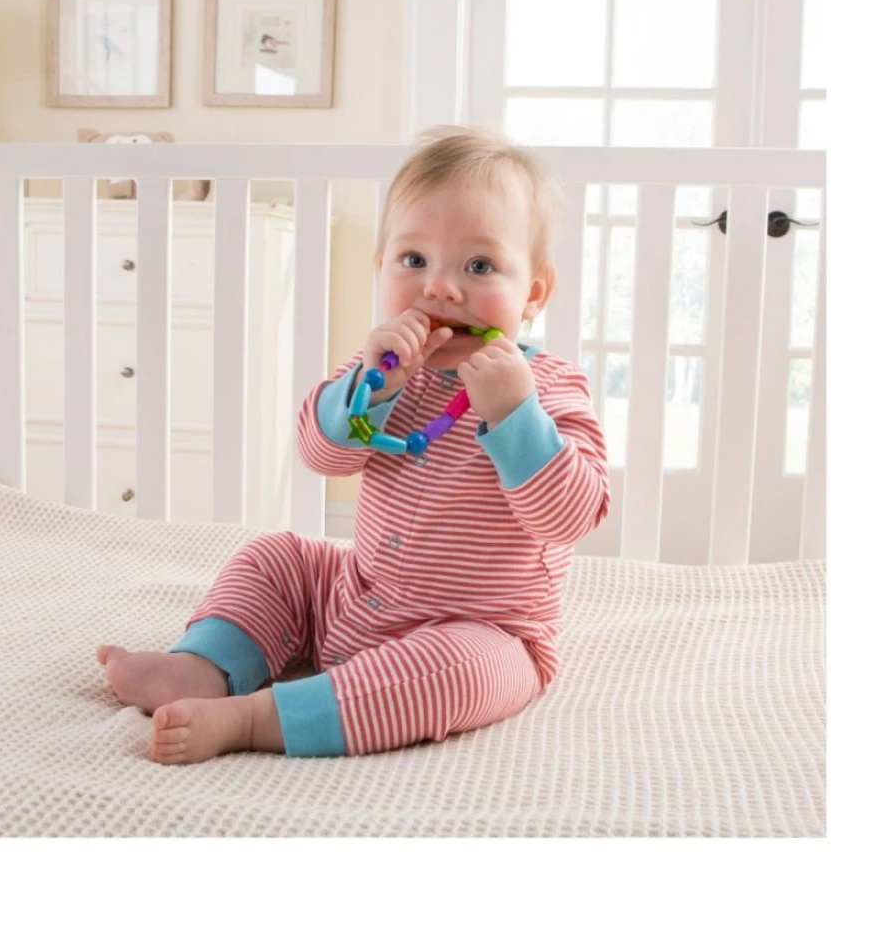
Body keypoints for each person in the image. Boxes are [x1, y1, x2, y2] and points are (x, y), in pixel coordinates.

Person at [97, 125, 610, 764]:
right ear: (381, 268)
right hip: (353, 593)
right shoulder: (383, 369)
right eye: (414, 260)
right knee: (278, 556)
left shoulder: (547, 386)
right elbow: (321, 455)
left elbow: (571, 517)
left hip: (481, 628)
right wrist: (373, 391)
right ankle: (207, 664)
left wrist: (514, 414)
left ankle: (255, 717)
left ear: (533, 293)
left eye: (478, 267)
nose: (440, 288)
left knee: (461, 670)